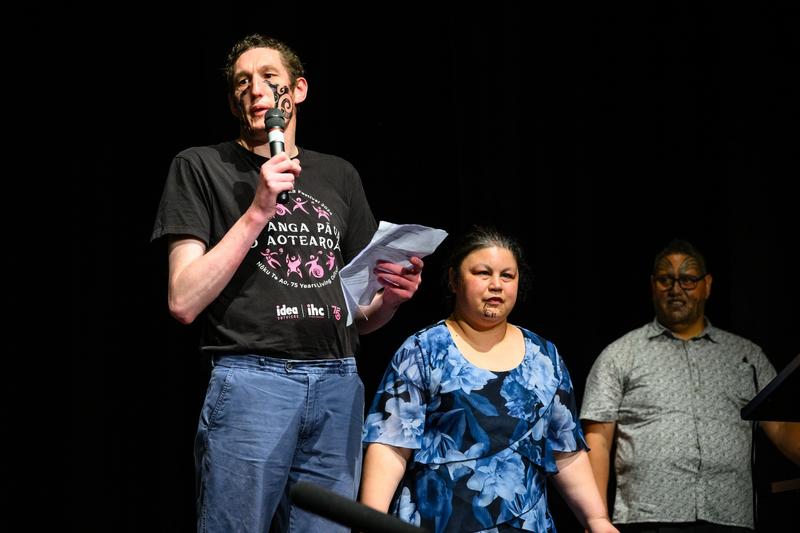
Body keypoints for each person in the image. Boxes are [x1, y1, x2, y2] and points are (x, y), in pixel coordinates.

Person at [150, 34, 424, 533]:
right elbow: (183, 299)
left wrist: (390, 301)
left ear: (297, 90)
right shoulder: (200, 167)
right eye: (242, 83)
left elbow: (355, 315)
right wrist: (258, 210)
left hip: (338, 380)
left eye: (269, 79)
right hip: (253, 380)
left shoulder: (338, 175)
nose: (255, 90)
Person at [359, 226, 618, 533]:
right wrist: (368, 522)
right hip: (438, 523)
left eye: (507, 276)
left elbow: (565, 452)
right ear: (454, 280)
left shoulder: (544, 357)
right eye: (483, 273)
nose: (496, 285)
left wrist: (597, 519)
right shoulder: (423, 350)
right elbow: (390, 445)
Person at [580, 238, 800, 533]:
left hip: (729, 517)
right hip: (648, 519)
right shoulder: (620, 354)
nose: (675, 289)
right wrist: (595, 520)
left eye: (687, 280)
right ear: (652, 285)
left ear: (707, 285)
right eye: (665, 280)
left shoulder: (746, 356)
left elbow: (784, 429)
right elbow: (598, 439)